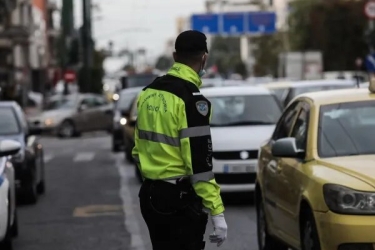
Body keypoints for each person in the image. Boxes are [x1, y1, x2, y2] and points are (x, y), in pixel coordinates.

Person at [132, 30, 227, 250]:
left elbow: (138, 150)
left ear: (175, 57)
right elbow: (199, 165)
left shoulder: (148, 93)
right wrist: (217, 211)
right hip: (178, 201)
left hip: (150, 197)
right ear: (204, 57)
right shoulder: (191, 101)